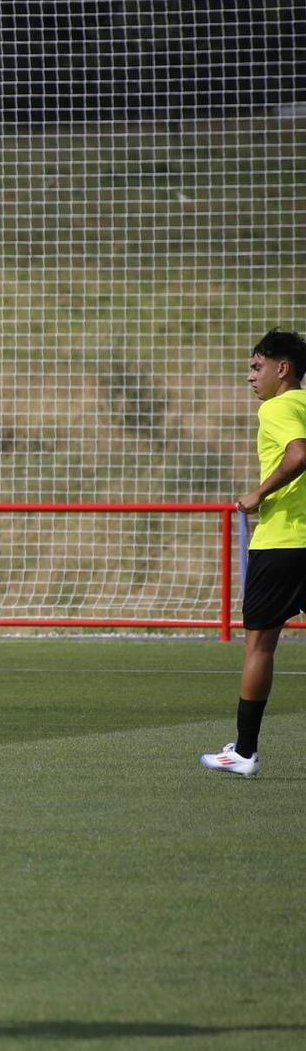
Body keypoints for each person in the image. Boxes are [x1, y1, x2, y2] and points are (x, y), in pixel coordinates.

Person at [202, 328, 306, 777]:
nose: (250, 377)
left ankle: (244, 752)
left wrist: (257, 494)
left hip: (283, 542)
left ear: (282, 369)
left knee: (259, 647)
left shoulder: (277, 408)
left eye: (256, 366)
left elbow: (298, 455)